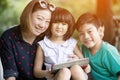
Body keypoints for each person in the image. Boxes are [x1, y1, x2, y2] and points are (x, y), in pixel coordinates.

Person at [0, 0, 55, 80]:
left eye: (47, 22)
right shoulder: (8, 37)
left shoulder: (48, 38)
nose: (42, 25)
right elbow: (10, 73)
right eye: (39, 18)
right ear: (28, 15)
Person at [33, 7, 90, 80]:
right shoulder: (42, 45)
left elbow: (84, 62)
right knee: (64, 71)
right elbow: (36, 72)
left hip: (75, 75)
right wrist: (46, 73)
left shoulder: (72, 43)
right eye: (56, 22)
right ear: (49, 24)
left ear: (68, 27)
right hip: (56, 77)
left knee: (76, 68)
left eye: (63, 24)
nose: (59, 26)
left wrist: (78, 61)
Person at [75, 12, 120, 80]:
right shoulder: (84, 48)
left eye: (89, 31)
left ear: (100, 31)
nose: (86, 36)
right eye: (81, 34)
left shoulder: (108, 51)